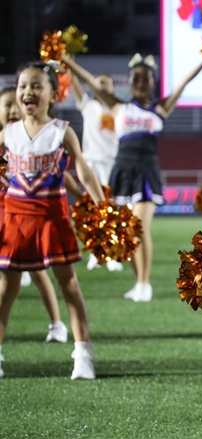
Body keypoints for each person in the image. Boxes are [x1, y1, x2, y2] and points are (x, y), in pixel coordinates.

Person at [63, 53, 202, 302]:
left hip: (146, 171)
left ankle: (144, 283)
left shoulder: (160, 108)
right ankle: (138, 283)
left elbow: (184, 82)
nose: (141, 82)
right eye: (136, 78)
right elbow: (91, 82)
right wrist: (68, 63)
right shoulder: (118, 106)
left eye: (146, 78)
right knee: (126, 232)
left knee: (139, 228)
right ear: (129, 81)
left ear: (153, 82)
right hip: (122, 170)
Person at [0, 61, 105, 379]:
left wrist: (103, 207)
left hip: (51, 217)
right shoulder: (8, 133)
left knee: (69, 285)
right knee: (6, 288)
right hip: (15, 219)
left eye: (36, 86)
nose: (28, 92)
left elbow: (83, 170)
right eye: (23, 86)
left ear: (53, 94)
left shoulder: (61, 130)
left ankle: (83, 354)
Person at [0, 87, 71, 345]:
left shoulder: (28, 142)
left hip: (20, 216)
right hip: (4, 213)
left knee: (37, 270)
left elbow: (61, 174)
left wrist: (84, 197)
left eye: (14, 105)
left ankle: (57, 323)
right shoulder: (6, 139)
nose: (12, 110)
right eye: (6, 105)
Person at [69, 72, 123, 272]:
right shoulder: (88, 105)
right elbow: (74, 82)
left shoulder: (119, 108)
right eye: (99, 83)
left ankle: (114, 253)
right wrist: (68, 63)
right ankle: (96, 252)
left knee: (112, 210)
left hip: (112, 162)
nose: (102, 86)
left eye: (106, 84)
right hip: (91, 163)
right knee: (93, 211)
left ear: (112, 88)